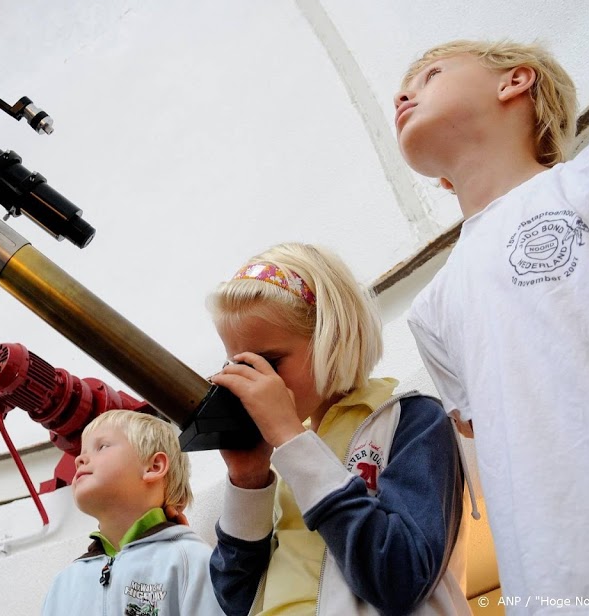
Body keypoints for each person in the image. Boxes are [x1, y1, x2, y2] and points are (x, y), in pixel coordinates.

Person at [395, 39, 589, 607]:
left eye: (430, 75)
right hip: (551, 592)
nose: (404, 94)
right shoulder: (430, 308)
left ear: (515, 81)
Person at [208, 243, 470, 615]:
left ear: (332, 336)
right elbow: (235, 599)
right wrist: (248, 481)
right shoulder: (289, 453)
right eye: (238, 365)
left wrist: (291, 440)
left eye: (267, 362)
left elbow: (399, 578)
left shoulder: (410, 420)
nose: (253, 381)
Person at [40, 409, 225, 616]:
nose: (79, 460)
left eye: (101, 446)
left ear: (154, 466)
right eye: (82, 453)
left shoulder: (188, 560)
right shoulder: (64, 583)